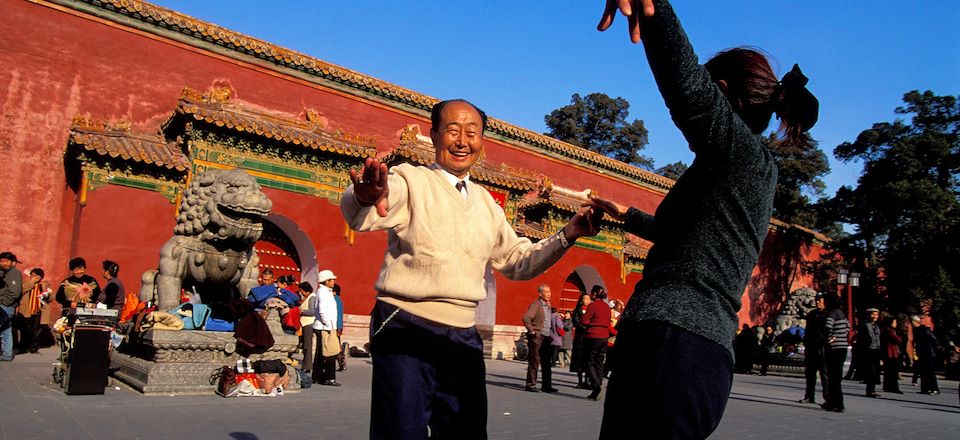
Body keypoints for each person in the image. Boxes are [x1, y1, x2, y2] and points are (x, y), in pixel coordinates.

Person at [589, 0, 820, 435]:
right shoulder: (733, 171)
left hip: (676, 341)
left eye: (712, 92)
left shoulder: (741, 155)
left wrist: (656, 11)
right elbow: (682, 238)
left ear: (724, 91)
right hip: (687, 344)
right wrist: (627, 215)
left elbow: (686, 86)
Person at [340, 98, 601, 438]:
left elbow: (518, 261)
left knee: (467, 430)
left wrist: (569, 234)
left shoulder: (487, 205)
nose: (462, 141)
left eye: (472, 133)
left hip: (463, 334)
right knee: (400, 431)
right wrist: (361, 197)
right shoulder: (409, 179)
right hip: (406, 322)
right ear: (434, 136)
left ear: (482, 142)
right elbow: (375, 205)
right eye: (452, 131)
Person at [522, 284, 558, 393]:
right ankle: (531, 384)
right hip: (537, 336)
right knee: (535, 361)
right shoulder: (536, 304)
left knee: (546, 362)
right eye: (546, 292)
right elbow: (526, 317)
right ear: (540, 293)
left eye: (549, 292)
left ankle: (547, 385)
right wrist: (532, 330)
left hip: (546, 337)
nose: (549, 294)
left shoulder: (548, 305)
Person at [581, 288, 611, 401]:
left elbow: (584, 320)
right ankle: (596, 390)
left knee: (589, 362)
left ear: (594, 294)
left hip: (593, 335)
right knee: (599, 363)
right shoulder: (607, 307)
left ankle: (596, 386)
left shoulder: (593, 306)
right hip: (604, 336)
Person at [312, 270, 341, 386]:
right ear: (326, 281)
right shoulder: (323, 293)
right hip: (325, 327)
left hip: (324, 326)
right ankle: (329, 377)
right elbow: (322, 310)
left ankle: (318, 376)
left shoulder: (324, 292)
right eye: (331, 279)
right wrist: (329, 325)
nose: (333, 281)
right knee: (330, 353)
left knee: (320, 353)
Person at [822, 293, 850, 412]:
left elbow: (827, 326)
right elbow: (848, 327)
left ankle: (836, 403)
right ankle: (836, 403)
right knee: (837, 377)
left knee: (832, 377)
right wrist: (841, 335)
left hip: (834, 348)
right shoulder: (842, 314)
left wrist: (830, 337)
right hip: (843, 347)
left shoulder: (832, 313)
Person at [799, 293, 829, 404]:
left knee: (824, 374)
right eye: (817, 300)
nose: (817, 302)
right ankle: (809, 396)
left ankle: (827, 397)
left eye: (820, 300)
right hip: (811, 347)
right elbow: (807, 329)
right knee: (810, 374)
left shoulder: (828, 314)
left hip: (822, 347)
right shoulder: (811, 314)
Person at [15, 267, 50, 355]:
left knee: (35, 330)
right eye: (33, 276)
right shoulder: (26, 283)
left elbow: (51, 297)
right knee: (24, 329)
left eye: (37, 277)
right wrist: (31, 283)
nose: (35, 278)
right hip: (26, 310)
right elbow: (21, 291)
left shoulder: (44, 285)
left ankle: (33, 347)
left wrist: (47, 295)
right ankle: (23, 347)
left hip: (38, 310)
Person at [0, 251, 24, 361]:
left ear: (12, 262)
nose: (3, 263)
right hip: (6, 305)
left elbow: (15, 292)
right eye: (1, 261)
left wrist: (4, 302)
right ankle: (7, 354)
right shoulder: (5, 272)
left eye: (6, 261)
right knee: (5, 330)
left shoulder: (14, 273)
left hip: (6, 305)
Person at [571, 290, 596, 389]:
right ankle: (580, 381)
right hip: (580, 338)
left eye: (589, 299)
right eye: (585, 299)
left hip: (589, 337)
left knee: (588, 360)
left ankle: (587, 381)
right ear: (581, 301)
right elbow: (576, 323)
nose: (587, 301)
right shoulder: (577, 311)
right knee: (579, 360)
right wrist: (587, 328)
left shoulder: (592, 311)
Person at [912, 315, 940, 395]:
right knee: (923, 372)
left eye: (913, 322)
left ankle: (933, 389)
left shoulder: (924, 330)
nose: (912, 324)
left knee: (929, 372)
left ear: (916, 322)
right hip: (922, 354)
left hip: (927, 354)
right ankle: (925, 389)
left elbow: (934, 340)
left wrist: (933, 351)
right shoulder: (917, 330)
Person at [859, 308, 882, 397]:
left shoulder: (877, 326)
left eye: (876, 315)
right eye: (873, 314)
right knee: (870, 371)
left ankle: (873, 389)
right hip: (868, 350)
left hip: (876, 350)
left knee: (875, 370)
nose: (875, 317)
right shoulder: (864, 325)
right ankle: (870, 390)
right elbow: (861, 340)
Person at [297, 281, 315, 376]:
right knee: (304, 346)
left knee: (307, 346)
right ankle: (305, 365)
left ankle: (307, 367)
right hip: (304, 324)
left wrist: (302, 312)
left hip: (309, 323)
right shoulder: (307, 298)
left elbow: (312, 311)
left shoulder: (312, 297)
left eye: (301, 291)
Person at [881, 316, 903, 394]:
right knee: (893, 371)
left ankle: (887, 386)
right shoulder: (889, 331)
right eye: (894, 322)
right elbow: (898, 339)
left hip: (888, 353)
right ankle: (894, 387)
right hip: (891, 353)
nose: (896, 324)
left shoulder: (885, 330)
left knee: (888, 371)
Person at [333, 283, 347, 372]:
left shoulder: (334, 300)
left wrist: (338, 327)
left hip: (335, 326)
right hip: (338, 326)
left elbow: (338, 315)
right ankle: (342, 363)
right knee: (337, 345)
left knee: (336, 346)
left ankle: (341, 362)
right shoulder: (339, 300)